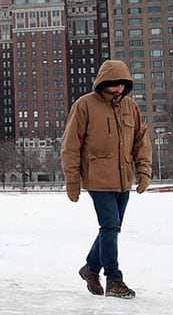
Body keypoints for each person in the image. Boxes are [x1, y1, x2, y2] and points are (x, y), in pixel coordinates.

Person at [61, 59, 152, 299]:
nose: (117, 90)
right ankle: (114, 279)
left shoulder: (130, 107)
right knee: (110, 226)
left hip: (123, 179)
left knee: (112, 229)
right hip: (97, 178)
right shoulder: (85, 106)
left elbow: (141, 140)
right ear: (102, 83)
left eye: (122, 85)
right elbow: (71, 145)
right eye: (113, 85)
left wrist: (144, 170)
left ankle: (90, 268)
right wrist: (72, 180)